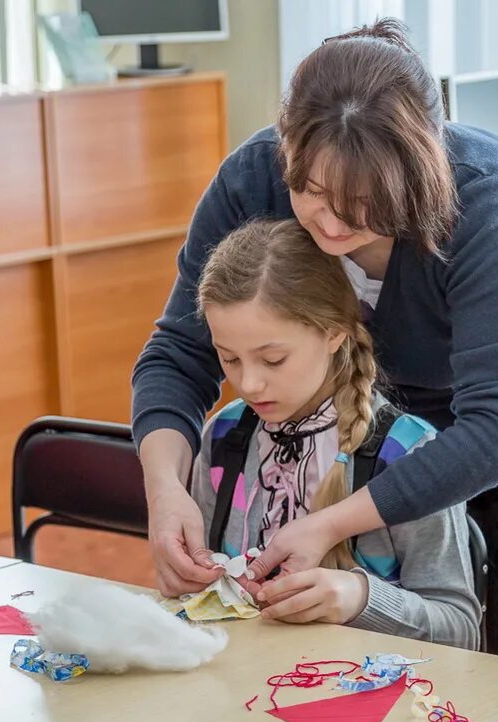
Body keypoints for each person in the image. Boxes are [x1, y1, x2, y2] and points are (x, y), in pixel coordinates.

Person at [132, 19, 498, 654]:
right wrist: (166, 492)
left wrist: (331, 522)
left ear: (423, 166)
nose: (335, 221)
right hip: (375, 415)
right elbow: (178, 354)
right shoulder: (250, 181)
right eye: (310, 191)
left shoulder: (485, 197)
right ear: (287, 150)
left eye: (366, 201)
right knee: (375, 634)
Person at [192, 218, 479, 649]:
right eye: (229, 359)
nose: (249, 384)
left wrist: (361, 598)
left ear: (334, 333)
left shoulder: (406, 454)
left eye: (272, 359)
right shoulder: (225, 436)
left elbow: (461, 629)